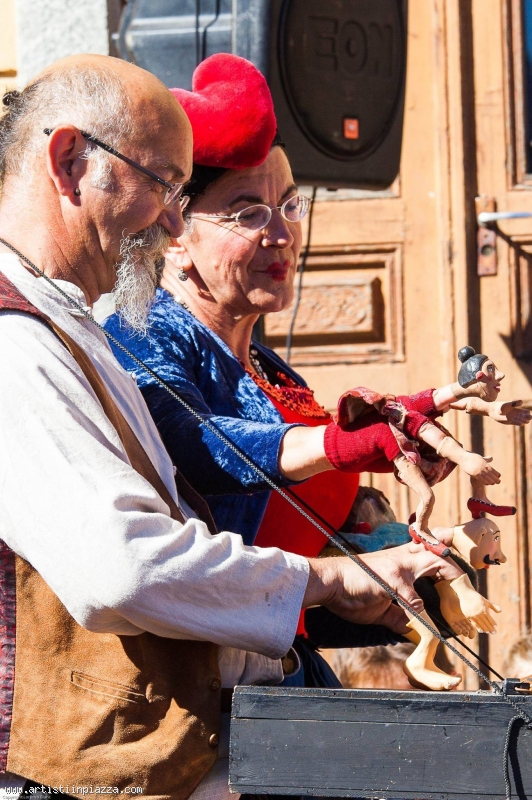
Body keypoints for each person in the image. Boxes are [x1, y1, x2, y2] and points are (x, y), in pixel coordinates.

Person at [0, 54, 454, 800]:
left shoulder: (73, 330)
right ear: (71, 161)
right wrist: (326, 572)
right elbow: (129, 567)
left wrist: (397, 567)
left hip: (202, 744)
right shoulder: (26, 340)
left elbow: (196, 559)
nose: (173, 217)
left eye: (183, 192)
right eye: (164, 184)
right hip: (73, 770)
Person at [103, 54, 525, 687]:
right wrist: (341, 445)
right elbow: (192, 446)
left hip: (277, 679)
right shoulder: (140, 334)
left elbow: (304, 576)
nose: (282, 234)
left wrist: (391, 569)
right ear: (175, 234)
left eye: (289, 205)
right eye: (248, 213)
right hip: (194, 705)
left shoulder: (270, 371)